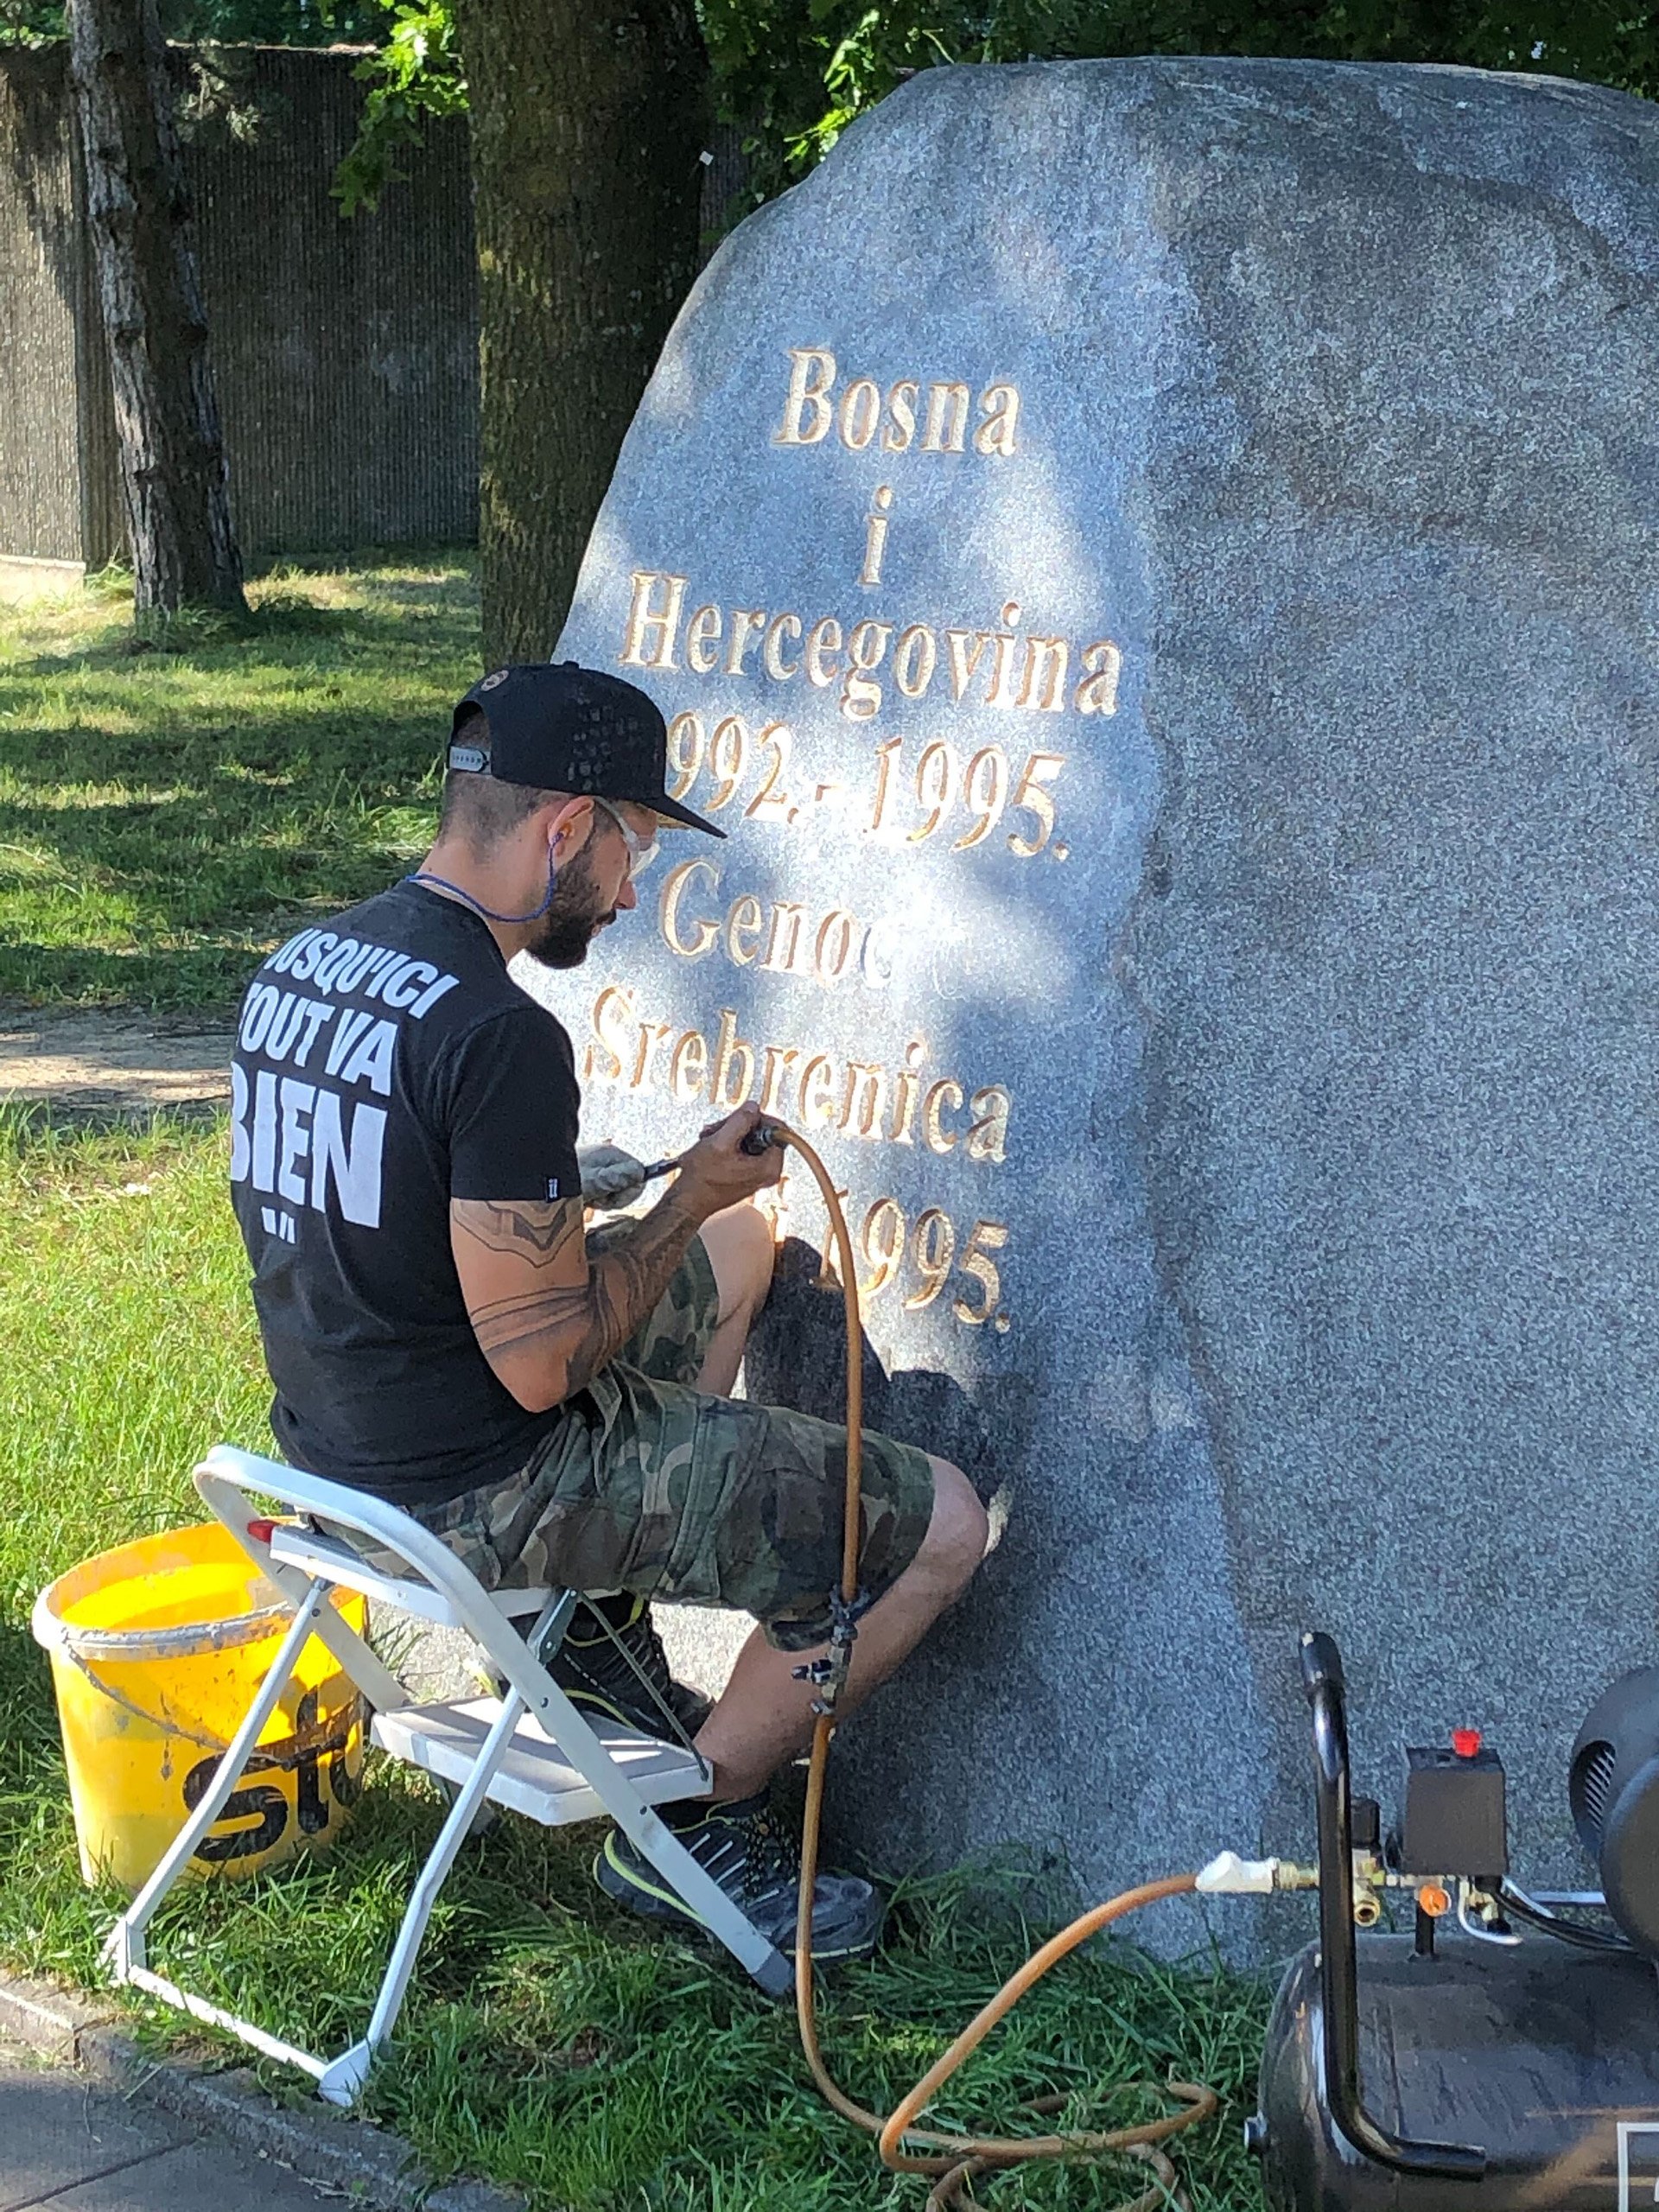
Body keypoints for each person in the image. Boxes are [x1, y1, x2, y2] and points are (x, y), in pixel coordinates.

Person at [228, 662, 988, 1959]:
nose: (634, 891)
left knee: (745, 1249)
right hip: (477, 1494)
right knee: (946, 1529)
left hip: (332, 1469)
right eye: (631, 848)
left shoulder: (303, 965)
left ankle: (606, 1629)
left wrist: (688, 1210)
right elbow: (543, 1368)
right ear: (564, 828)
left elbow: (392, 1215)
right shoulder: (497, 1033)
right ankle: (696, 1813)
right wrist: (679, 1200)